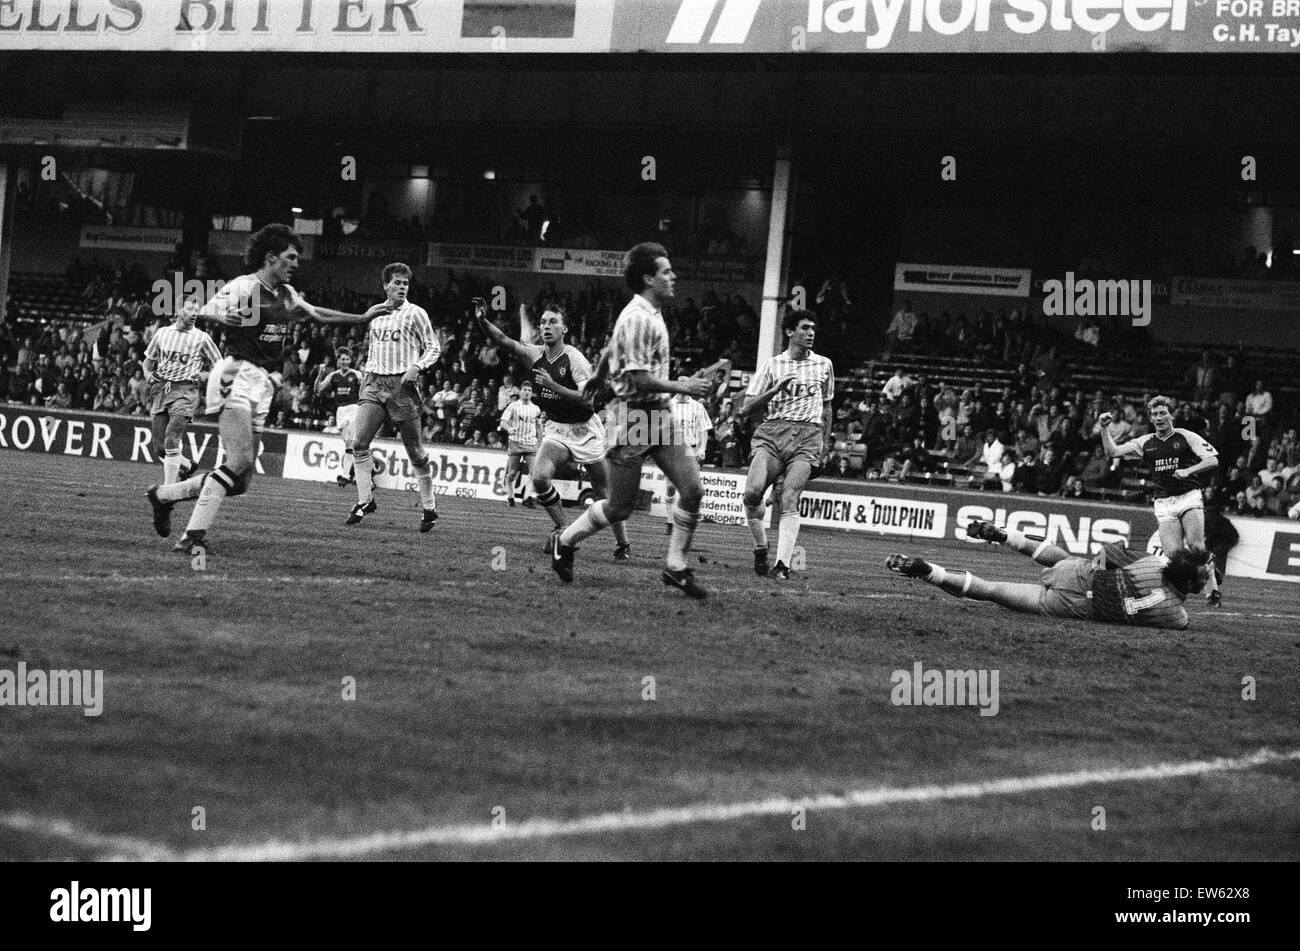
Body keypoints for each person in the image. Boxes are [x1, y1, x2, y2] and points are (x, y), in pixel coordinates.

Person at [147, 224, 389, 553]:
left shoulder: (287, 295)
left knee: (241, 480)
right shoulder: (245, 286)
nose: (296, 263)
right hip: (235, 373)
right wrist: (222, 317)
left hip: (262, 382)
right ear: (271, 258)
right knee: (239, 461)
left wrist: (362, 317)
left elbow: (316, 313)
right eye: (290, 257)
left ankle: (163, 496)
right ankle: (192, 538)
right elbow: (207, 307)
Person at [550, 242, 715, 596]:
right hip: (634, 416)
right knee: (620, 507)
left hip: (659, 414)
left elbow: (614, 345)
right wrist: (683, 386)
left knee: (693, 489)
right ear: (648, 278)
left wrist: (597, 374)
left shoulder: (649, 312)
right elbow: (638, 379)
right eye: (666, 271)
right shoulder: (639, 316)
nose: (673, 277)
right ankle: (564, 541)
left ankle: (675, 566)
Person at [477, 300, 632, 559]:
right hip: (557, 428)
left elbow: (588, 399)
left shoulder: (575, 358)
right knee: (538, 477)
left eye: (553, 322)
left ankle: (623, 544)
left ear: (565, 329)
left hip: (585, 429)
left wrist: (553, 385)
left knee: (604, 493)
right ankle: (563, 528)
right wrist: (482, 320)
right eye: (543, 322)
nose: (547, 326)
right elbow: (504, 340)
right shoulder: (535, 354)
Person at [887, 519, 1209, 630]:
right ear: (1191, 585)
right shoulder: (1176, 616)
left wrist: (1095, 567)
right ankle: (930, 572)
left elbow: (1109, 552)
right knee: (992, 590)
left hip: (1080, 576)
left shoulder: (1151, 564)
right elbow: (1179, 616)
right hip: (1075, 607)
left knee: (1071, 559)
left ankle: (1007, 536)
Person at [312, 263, 442, 531]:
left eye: (405, 283)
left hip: (401, 386)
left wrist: (416, 367)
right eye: (396, 283)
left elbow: (434, 347)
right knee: (358, 442)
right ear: (385, 286)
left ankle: (429, 506)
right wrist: (368, 372)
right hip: (373, 381)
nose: (402, 287)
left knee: (415, 451)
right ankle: (364, 500)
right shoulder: (375, 314)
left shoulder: (416, 314)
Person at [737, 310, 834, 579]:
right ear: (790, 332)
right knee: (752, 495)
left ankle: (782, 566)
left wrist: (823, 444)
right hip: (772, 433)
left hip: (807, 436)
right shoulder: (772, 365)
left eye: (813, 328)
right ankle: (760, 546)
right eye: (805, 328)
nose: (811, 333)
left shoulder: (824, 365)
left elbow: (827, 407)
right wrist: (775, 390)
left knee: (790, 496)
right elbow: (746, 408)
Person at [1100, 395, 1222, 606]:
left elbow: (1212, 460)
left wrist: (1188, 470)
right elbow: (1113, 451)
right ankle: (1200, 573)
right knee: (1174, 554)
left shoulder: (1185, 436)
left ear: (1171, 415)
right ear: (1151, 418)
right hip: (1164, 502)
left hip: (1188, 496)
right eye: (1154, 414)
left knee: (1196, 546)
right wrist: (1104, 428)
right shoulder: (1145, 442)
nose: (1159, 417)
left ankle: (1212, 589)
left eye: (1162, 412)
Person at [141, 304, 221, 485]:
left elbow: (219, 365)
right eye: (189, 310)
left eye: (196, 310)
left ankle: (168, 490)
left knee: (171, 437)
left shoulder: (202, 338)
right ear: (178, 311)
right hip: (162, 389)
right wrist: (147, 375)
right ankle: (187, 465)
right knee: (160, 448)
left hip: (186, 390)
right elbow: (147, 363)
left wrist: (206, 374)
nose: (194, 314)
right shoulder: (162, 333)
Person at [664, 379, 714, 535]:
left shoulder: (697, 406)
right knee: (671, 487)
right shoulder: (668, 405)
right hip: (671, 448)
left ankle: (680, 523)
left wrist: (702, 448)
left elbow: (703, 429)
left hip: (690, 449)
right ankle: (670, 520)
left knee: (688, 489)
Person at [315, 347, 366, 488]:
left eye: (347, 359)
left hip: (354, 409)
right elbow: (317, 389)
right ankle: (359, 475)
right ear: (338, 360)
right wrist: (320, 373)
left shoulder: (357, 374)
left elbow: (365, 390)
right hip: (341, 412)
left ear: (351, 360)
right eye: (342, 359)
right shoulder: (333, 376)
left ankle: (345, 475)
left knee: (350, 441)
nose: (345, 362)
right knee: (349, 443)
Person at [497, 380, 542, 507]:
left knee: (535, 473)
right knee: (512, 473)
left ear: (532, 393)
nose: (527, 392)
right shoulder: (513, 406)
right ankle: (510, 497)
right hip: (515, 442)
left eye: (529, 391)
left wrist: (540, 441)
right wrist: (510, 429)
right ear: (520, 392)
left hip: (531, 443)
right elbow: (503, 422)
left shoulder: (536, 409)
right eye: (525, 390)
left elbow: (538, 426)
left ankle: (527, 498)